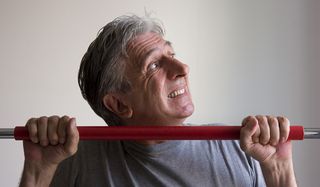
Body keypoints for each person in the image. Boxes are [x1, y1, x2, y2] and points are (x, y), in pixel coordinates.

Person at [19, 15, 297, 187]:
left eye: (171, 53)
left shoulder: (236, 150)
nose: (182, 68)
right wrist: (37, 173)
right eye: (153, 65)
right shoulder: (75, 161)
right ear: (118, 105)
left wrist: (279, 171)